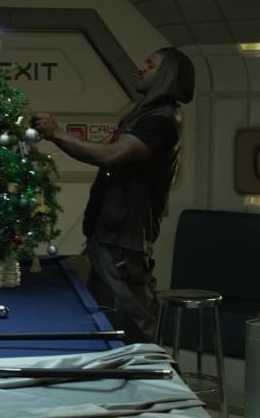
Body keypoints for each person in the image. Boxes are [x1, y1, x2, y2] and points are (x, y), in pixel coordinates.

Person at [33, 47, 195, 343]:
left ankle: (155, 374)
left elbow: (110, 155)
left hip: (122, 243)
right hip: (108, 237)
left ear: (167, 75)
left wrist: (56, 133)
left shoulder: (162, 122)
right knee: (104, 322)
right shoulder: (143, 114)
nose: (141, 67)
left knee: (133, 327)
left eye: (150, 64)